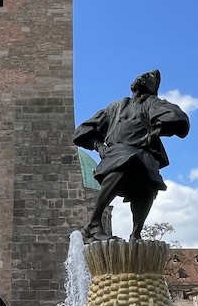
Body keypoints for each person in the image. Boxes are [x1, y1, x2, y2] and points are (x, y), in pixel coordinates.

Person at [74, 69, 190, 241]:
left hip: (143, 152)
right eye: (143, 75)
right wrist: (99, 147)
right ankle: (93, 223)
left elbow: (176, 117)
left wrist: (157, 131)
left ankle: (136, 233)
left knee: (150, 180)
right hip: (117, 152)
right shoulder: (116, 108)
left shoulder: (151, 103)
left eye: (150, 78)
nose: (144, 77)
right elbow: (83, 130)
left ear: (152, 89)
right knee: (126, 160)